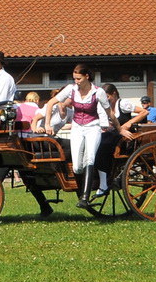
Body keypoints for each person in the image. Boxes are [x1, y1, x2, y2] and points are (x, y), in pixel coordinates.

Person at [42, 65, 111, 202]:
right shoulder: (71, 89)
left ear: (87, 76)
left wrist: (117, 127)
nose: (76, 81)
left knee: (89, 158)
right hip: (78, 127)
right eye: (75, 79)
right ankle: (81, 193)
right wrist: (47, 124)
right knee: (77, 166)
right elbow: (50, 103)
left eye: (79, 78)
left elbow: (109, 112)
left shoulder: (98, 92)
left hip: (93, 126)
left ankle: (85, 197)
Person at [85, 85, 148, 203]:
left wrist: (129, 123)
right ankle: (101, 178)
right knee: (97, 143)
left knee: (101, 146)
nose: (106, 99)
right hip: (113, 135)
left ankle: (103, 183)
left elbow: (144, 112)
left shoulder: (123, 104)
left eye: (108, 96)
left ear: (114, 94)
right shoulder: (105, 107)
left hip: (125, 138)